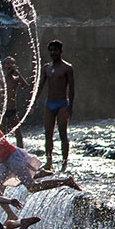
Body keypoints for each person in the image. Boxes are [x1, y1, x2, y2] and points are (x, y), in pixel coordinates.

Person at [36, 39, 75, 172]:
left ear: (60, 51)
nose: (53, 52)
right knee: (48, 134)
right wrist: (34, 101)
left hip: (62, 103)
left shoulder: (67, 68)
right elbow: (41, 85)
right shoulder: (46, 67)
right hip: (49, 104)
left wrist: (70, 107)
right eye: (51, 50)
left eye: (55, 50)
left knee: (62, 133)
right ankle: (49, 161)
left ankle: (64, 162)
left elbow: (72, 89)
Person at [0, 55, 28, 148]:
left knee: (18, 134)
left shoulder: (16, 79)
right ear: (3, 66)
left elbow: (25, 86)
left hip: (12, 110)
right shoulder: (1, 80)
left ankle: (22, 154)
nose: (10, 65)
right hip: (2, 111)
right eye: (7, 63)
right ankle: (3, 154)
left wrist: (18, 72)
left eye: (12, 63)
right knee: (2, 135)